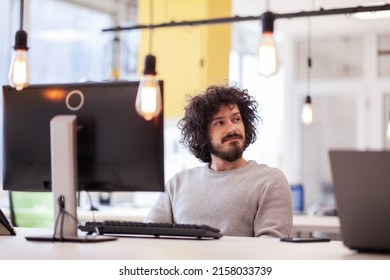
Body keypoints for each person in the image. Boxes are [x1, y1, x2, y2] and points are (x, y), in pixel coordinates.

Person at [144, 84, 293, 238]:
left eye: (236, 119)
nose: (232, 128)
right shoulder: (177, 184)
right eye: (220, 122)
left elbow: (271, 249)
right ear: (203, 134)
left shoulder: (270, 181)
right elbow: (148, 236)